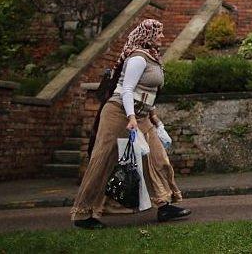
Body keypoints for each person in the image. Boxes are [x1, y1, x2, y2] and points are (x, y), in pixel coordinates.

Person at [70, 19, 190, 229]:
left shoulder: (152, 58)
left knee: (157, 157)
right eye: (159, 33)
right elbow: (126, 89)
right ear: (149, 35)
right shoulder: (138, 58)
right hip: (119, 113)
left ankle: (164, 205)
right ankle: (82, 214)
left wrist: (154, 119)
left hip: (141, 115)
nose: (162, 36)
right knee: (103, 160)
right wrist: (131, 117)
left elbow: (146, 94)